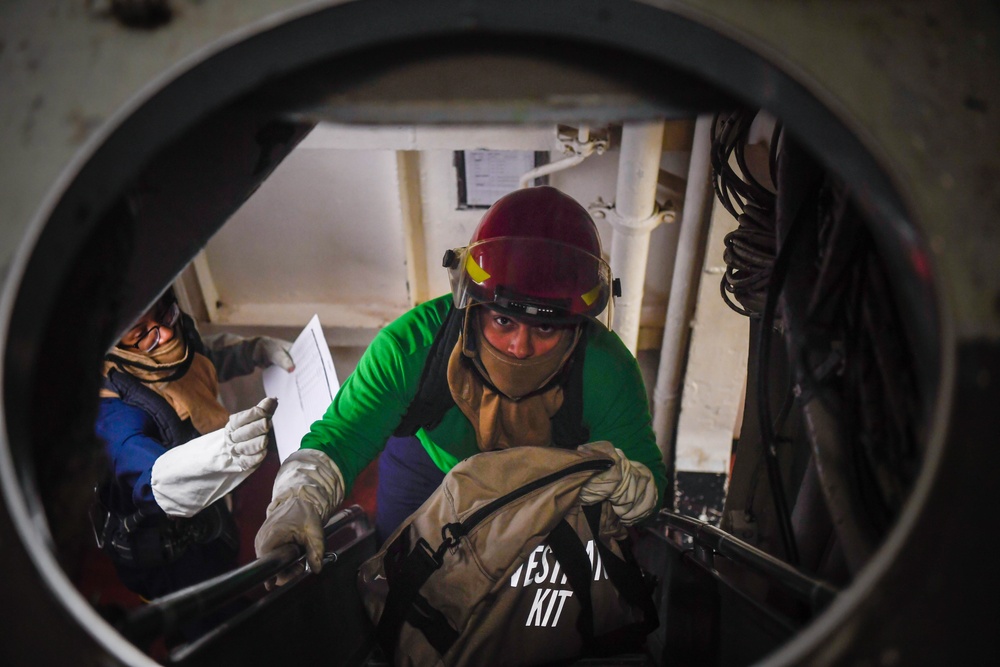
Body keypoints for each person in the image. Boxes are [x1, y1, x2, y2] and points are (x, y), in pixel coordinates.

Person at [255, 186, 667, 582]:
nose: (520, 347)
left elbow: (652, 485)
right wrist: (297, 502)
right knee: (397, 568)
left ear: (578, 327)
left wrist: (632, 488)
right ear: (472, 304)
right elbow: (340, 439)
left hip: (543, 486)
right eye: (503, 320)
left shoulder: (606, 370)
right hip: (427, 463)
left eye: (545, 326)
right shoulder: (410, 348)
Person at [93, 288, 294, 603]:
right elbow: (152, 480)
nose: (167, 332)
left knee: (227, 570)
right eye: (140, 332)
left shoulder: (169, 336)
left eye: (164, 313)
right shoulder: (114, 412)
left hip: (210, 513)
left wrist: (254, 351)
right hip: (168, 548)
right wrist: (225, 452)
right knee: (208, 617)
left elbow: (202, 361)